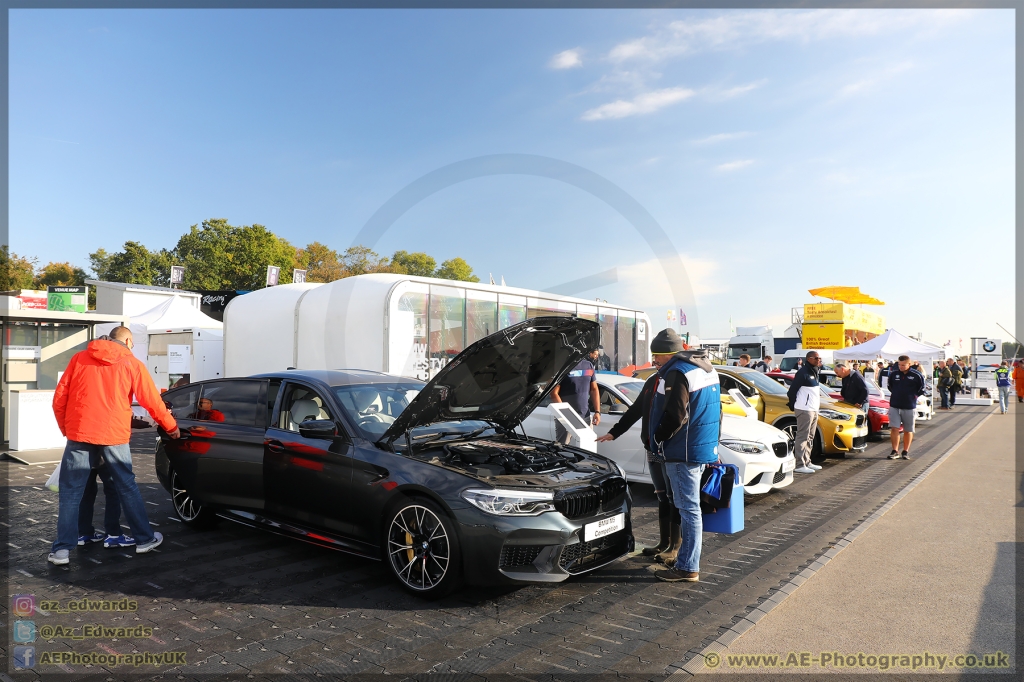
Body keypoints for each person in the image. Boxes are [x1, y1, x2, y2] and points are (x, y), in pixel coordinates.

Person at [48, 327, 180, 565]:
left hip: (80, 433)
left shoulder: (79, 358)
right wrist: (171, 427)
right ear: (128, 340)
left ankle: (62, 550)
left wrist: (67, 429)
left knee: (71, 492)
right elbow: (152, 402)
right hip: (114, 435)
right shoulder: (131, 363)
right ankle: (143, 539)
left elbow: (59, 398)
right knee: (126, 486)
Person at [642, 329, 722, 583]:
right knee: (692, 509)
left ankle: (687, 566)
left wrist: (657, 438)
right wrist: (714, 447)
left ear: (670, 354)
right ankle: (687, 560)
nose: (655, 361)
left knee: (688, 510)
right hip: (699, 448)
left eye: (657, 355)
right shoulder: (708, 369)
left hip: (681, 451)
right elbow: (717, 413)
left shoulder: (678, 372)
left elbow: (676, 415)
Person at [597, 355, 678, 564]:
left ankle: (674, 548)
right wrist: (615, 432)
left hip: (670, 450)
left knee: (673, 498)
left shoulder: (677, 379)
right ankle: (663, 543)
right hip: (652, 448)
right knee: (661, 496)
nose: (656, 363)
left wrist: (661, 436)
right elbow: (636, 410)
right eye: (655, 361)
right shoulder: (652, 381)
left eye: (660, 360)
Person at [77, 459, 133, 548]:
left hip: (84, 456)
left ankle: (84, 533)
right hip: (105, 454)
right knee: (113, 491)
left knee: (86, 493)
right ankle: (113, 534)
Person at [550, 348, 600, 444]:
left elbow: (594, 389)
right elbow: (554, 393)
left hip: (585, 416)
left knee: (588, 449)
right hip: (566, 416)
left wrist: (597, 412)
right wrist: (565, 415)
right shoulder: (563, 367)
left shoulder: (588, 365)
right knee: (562, 448)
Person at [786, 351, 823, 474]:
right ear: (809, 359)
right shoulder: (803, 373)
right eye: (816, 358)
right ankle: (799, 464)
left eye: (820, 358)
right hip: (804, 409)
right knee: (802, 436)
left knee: (810, 436)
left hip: (813, 409)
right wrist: (793, 405)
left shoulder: (815, 371)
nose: (819, 360)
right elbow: (792, 391)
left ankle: (807, 461)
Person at [887, 355, 926, 460]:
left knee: (908, 430)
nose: (901, 367)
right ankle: (895, 450)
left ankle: (905, 451)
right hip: (894, 405)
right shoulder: (894, 374)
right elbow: (890, 386)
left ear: (909, 364)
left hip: (909, 406)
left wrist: (913, 396)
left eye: (903, 365)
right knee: (894, 428)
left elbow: (922, 388)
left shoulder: (917, 375)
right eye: (899, 364)